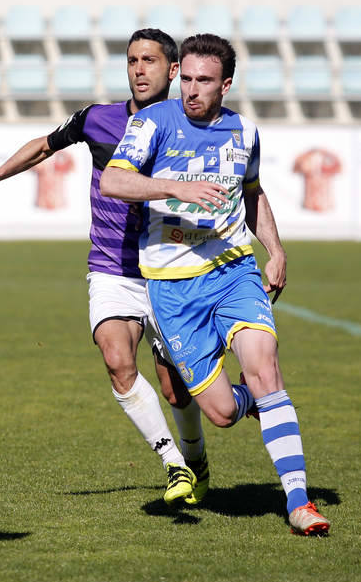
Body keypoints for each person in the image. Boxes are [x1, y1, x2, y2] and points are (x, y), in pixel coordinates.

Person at [0, 29, 209, 506]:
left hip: (170, 270)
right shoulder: (99, 119)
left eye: (150, 61)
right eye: (132, 60)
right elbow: (47, 144)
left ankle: (196, 457)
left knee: (177, 390)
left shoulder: (190, 126)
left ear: (173, 70)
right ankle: (174, 465)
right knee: (118, 361)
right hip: (112, 266)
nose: (139, 69)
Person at [100, 33, 331, 536]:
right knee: (223, 412)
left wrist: (276, 249)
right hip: (172, 290)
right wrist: (174, 186)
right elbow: (113, 182)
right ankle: (257, 403)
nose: (190, 90)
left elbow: (252, 192)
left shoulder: (244, 131)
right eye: (185, 79)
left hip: (232, 272)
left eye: (203, 81)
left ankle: (298, 503)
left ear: (225, 84)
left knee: (265, 365)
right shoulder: (153, 123)